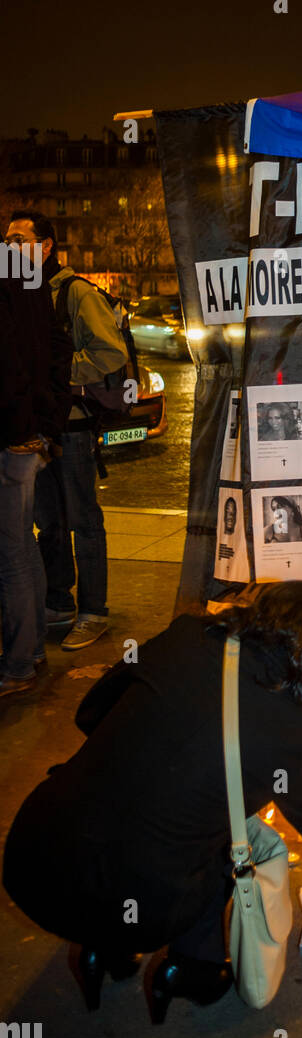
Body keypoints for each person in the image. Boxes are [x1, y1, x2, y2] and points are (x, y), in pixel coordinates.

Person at [2, 582, 302, 1019]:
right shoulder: (292, 734)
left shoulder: (188, 636)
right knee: (227, 841)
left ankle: (104, 950)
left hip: (33, 855)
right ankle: (192, 969)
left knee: (141, 818)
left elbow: (91, 710)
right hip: (138, 897)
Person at [7, 214, 129, 651]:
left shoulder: (74, 291)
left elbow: (110, 353)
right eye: (6, 239)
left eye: (19, 239)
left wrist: (56, 376)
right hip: (45, 426)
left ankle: (93, 611)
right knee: (49, 522)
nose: (9, 246)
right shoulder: (24, 292)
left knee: (83, 520)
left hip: (74, 424)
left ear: (45, 247)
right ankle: (58, 602)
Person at [0, 252, 72, 701]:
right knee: (20, 546)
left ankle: (18, 661)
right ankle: (31, 650)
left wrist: (24, 427)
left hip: (11, 436)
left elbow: (9, 369)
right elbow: (55, 351)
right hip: (25, 434)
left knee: (10, 554)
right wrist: (47, 425)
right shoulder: (30, 284)